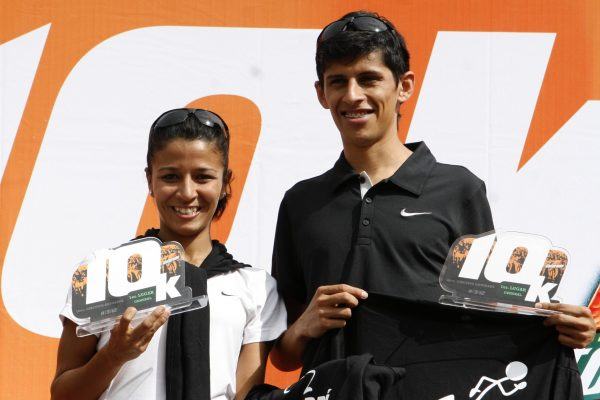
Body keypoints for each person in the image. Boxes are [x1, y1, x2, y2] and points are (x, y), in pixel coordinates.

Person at [270, 10, 596, 399]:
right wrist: (303, 328)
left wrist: (558, 327)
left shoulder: (458, 190)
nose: (353, 95)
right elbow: (284, 356)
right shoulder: (301, 202)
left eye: (369, 79)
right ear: (321, 94)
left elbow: (489, 324)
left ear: (404, 86)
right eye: (338, 81)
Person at [51, 108, 287, 400]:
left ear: (225, 183)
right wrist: (113, 355)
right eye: (171, 177)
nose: (187, 192)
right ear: (150, 180)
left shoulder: (256, 288)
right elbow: (63, 394)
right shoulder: (104, 271)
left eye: (203, 177)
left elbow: (245, 395)